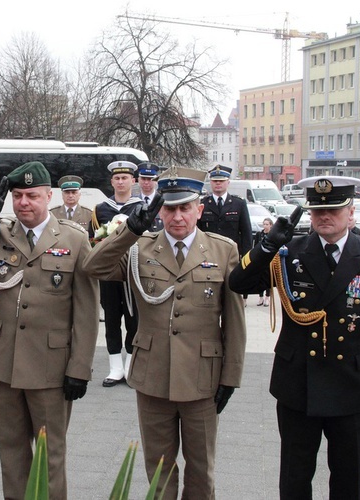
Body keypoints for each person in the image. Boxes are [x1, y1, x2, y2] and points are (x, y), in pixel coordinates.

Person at [229, 176, 360, 499]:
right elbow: (238, 282)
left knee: (348, 483)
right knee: (294, 480)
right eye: (317, 210)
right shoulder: (288, 253)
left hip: (351, 385)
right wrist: (265, 245)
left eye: (334, 210)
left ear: (351, 213)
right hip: (298, 385)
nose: (324, 216)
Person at [83, 165, 246, 499]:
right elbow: (93, 266)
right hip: (153, 375)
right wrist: (129, 231)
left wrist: (231, 376)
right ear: (160, 210)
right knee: (158, 470)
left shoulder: (223, 250)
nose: (177, 216)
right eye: (169, 208)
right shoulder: (138, 247)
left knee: (202, 472)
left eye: (185, 207)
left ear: (199, 210)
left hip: (202, 378)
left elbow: (234, 320)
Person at [0, 162, 99, 500]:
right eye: (17, 196)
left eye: (31, 195)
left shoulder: (73, 239)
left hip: (51, 366)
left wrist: (80, 368)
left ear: (49, 195)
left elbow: (86, 312)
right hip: (5, 362)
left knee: (50, 455)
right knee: (11, 452)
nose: (24, 202)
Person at [91, 160, 143, 387]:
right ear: (111, 181)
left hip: (133, 271)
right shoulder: (101, 209)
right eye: (117, 178)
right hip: (109, 273)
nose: (121, 182)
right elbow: (93, 239)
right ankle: (115, 368)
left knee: (135, 320)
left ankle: (131, 366)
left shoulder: (141, 207)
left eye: (125, 178)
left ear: (134, 180)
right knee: (111, 318)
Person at [198, 164, 252, 305]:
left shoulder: (238, 204)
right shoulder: (203, 204)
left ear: (228, 182)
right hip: (208, 255)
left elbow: (246, 233)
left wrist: (246, 258)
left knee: (230, 293)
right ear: (210, 182)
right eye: (215, 181)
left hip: (231, 256)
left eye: (221, 181)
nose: (218, 184)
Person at [136, 162, 164, 231]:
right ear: (138, 179)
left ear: (156, 181)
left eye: (150, 179)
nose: (146, 182)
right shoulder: (133, 201)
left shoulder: (163, 201)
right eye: (143, 178)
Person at [254, 217, 273, 306]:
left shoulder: (272, 235)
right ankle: (260, 297)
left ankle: (267, 297)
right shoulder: (259, 234)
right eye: (264, 224)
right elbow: (255, 245)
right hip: (260, 258)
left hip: (269, 258)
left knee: (268, 277)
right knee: (260, 277)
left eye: (267, 224)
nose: (265, 226)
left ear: (271, 225)